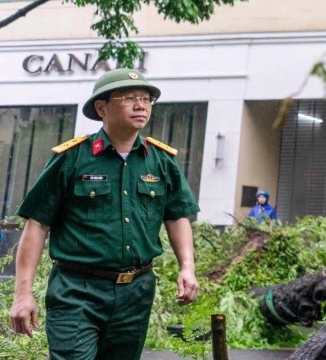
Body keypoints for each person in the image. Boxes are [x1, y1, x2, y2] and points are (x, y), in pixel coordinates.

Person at [7, 68, 200, 359]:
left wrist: (187, 267)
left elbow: (177, 216)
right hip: (77, 290)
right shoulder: (72, 158)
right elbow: (37, 225)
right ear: (102, 107)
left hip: (136, 292)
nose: (141, 105)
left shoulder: (161, 161)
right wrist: (22, 294)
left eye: (147, 99)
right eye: (130, 97)